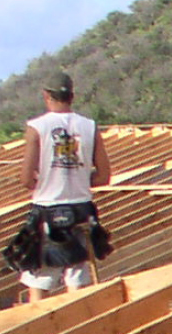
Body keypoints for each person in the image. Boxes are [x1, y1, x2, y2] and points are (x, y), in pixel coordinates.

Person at [16, 73, 111, 291]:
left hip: (49, 210)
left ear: (46, 95)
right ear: (72, 96)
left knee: (40, 283)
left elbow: (26, 180)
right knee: (79, 282)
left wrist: (51, 178)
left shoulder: (37, 127)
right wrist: (76, 178)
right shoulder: (90, 126)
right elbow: (104, 177)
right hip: (81, 209)